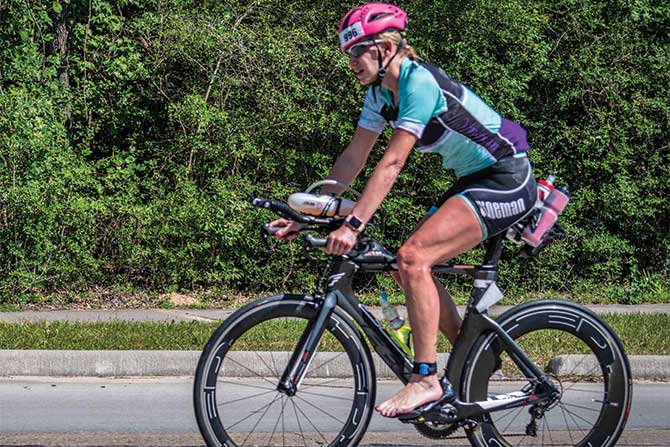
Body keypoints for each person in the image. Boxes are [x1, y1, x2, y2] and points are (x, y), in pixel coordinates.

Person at [271, 2, 537, 418]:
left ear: (386, 46)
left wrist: (354, 225)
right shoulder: (380, 94)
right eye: (348, 53)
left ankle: (426, 379)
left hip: (507, 176)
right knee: (403, 265)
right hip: (476, 177)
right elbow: (353, 158)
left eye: (358, 51)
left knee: (413, 258)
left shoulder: (419, 83)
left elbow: (392, 163)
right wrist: (314, 213)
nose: (352, 62)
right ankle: (475, 356)